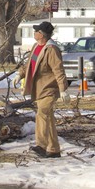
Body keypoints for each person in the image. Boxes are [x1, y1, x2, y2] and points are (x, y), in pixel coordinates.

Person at [16, 21, 70, 158]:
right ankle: (53, 149)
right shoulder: (37, 47)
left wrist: (63, 90)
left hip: (49, 89)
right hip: (39, 89)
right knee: (49, 118)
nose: (34, 33)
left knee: (42, 114)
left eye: (36, 31)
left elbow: (59, 70)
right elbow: (30, 65)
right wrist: (19, 74)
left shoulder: (51, 49)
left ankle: (41, 145)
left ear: (42, 35)